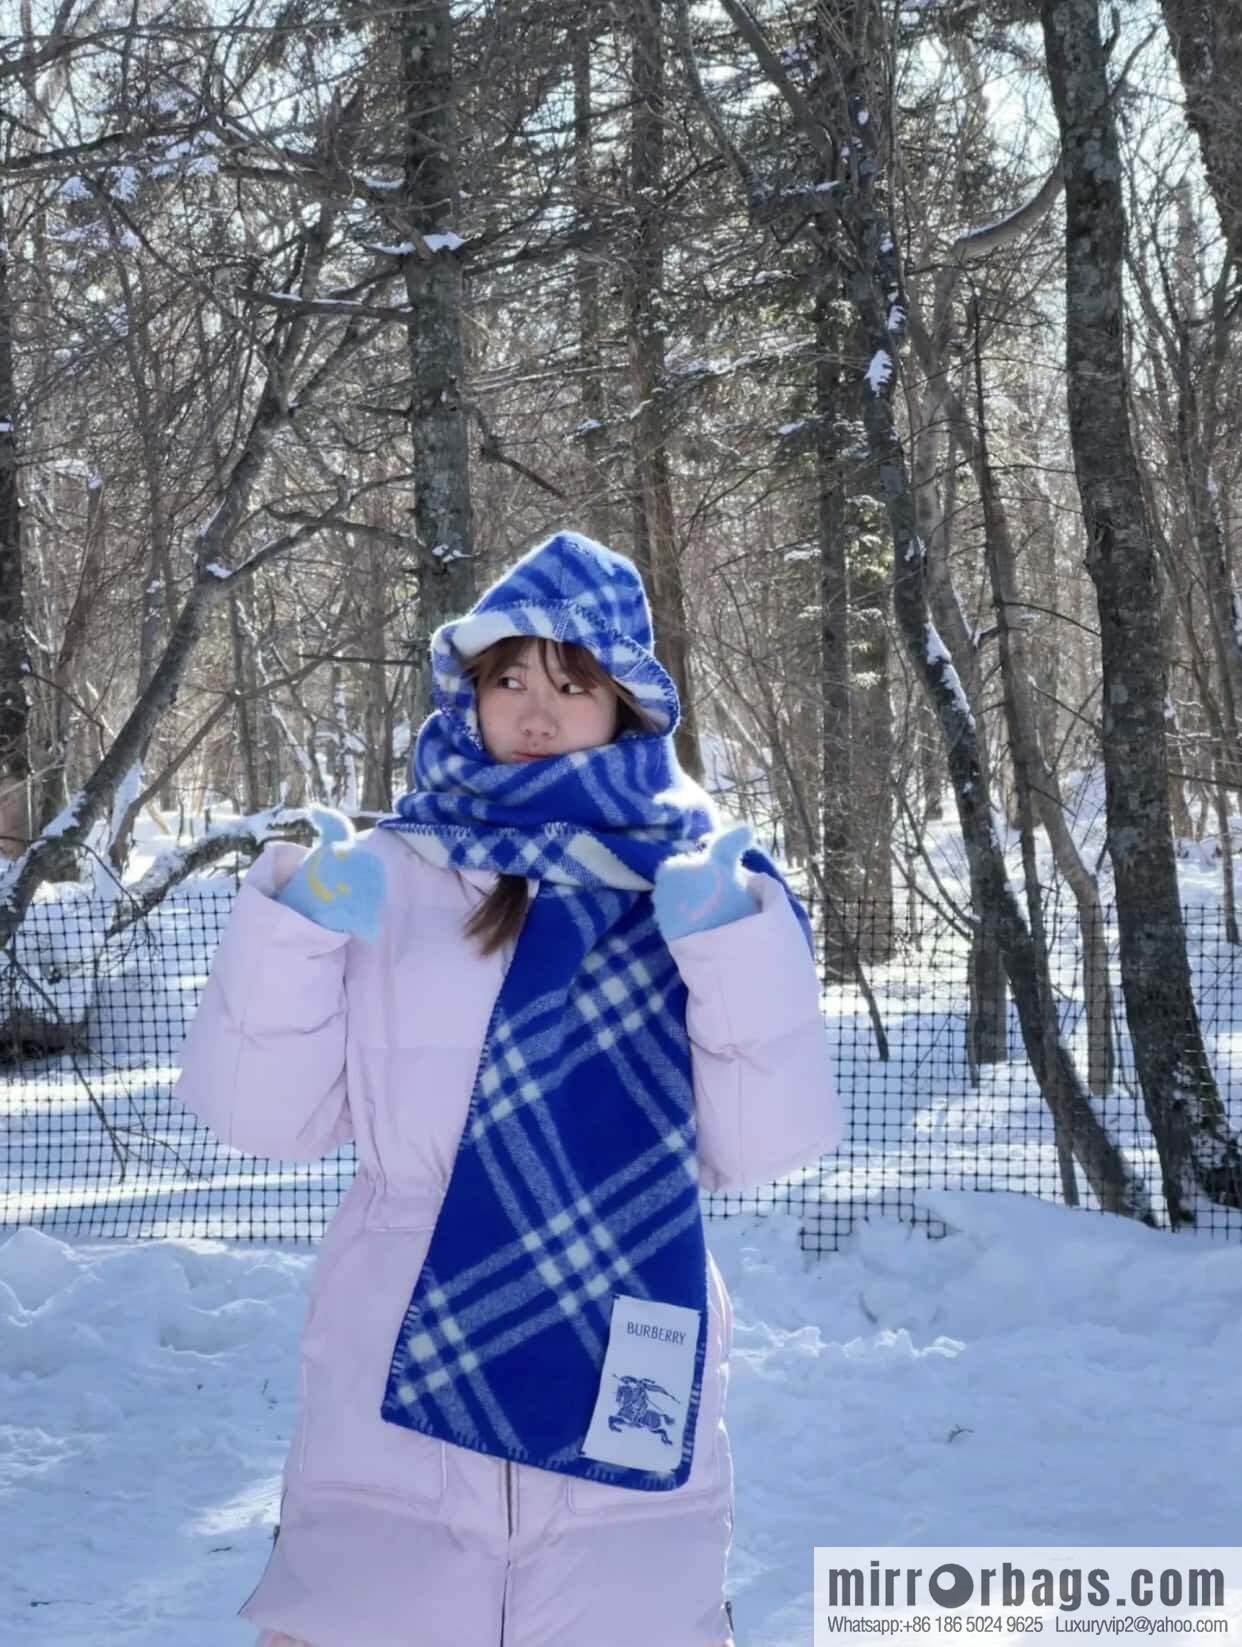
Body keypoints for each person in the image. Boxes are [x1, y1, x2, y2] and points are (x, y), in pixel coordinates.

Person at [173, 529, 844, 1647]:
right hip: (398, 1344)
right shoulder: (393, 869)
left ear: (624, 704)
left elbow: (757, 1148)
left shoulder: (693, 877)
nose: (536, 713)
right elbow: (266, 1118)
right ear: (469, 693)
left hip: (625, 1310)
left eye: (572, 685)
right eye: (509, 680)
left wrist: (732, 947)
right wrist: (290, 928)